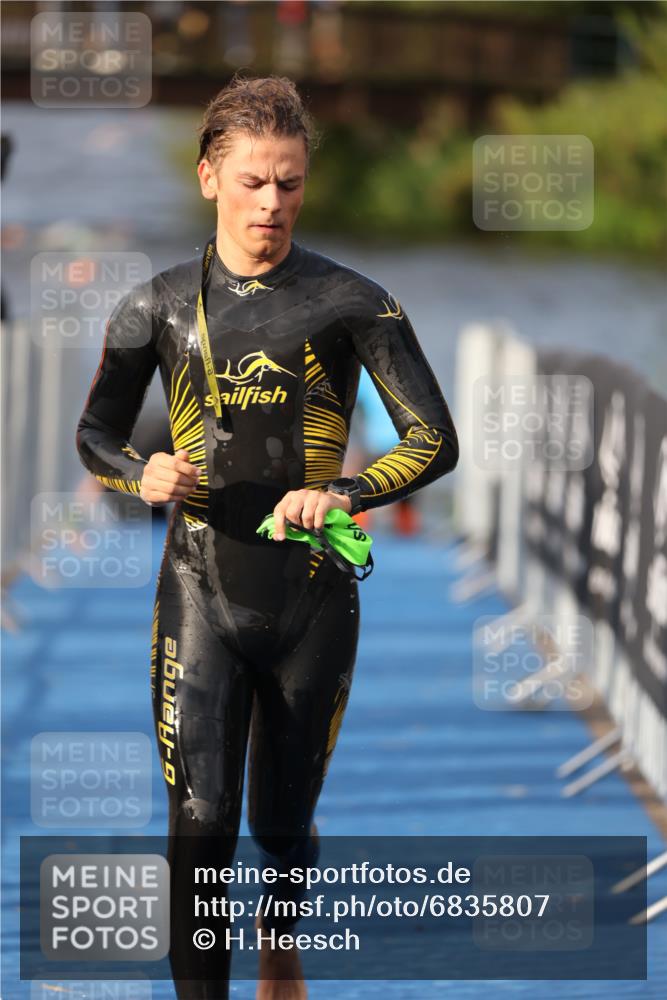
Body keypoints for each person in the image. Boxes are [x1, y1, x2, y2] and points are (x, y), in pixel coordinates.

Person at [76, 74, 459, 1000]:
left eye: (288, 183)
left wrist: (344, 492)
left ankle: (278, 935)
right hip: (199, 585)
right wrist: (142, 472)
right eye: (252, 181)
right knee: (199, 820)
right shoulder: (155, 306)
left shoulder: (350, 300)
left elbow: (434, 440)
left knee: (281, 826)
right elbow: (95, 435)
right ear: (210, 177)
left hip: (312, 595)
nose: (271, 203)